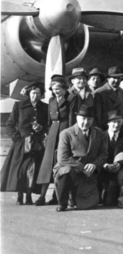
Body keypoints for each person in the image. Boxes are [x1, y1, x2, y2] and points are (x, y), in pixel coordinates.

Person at [53, 105, 108, 212]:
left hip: (89, 171)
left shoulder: (99, 133)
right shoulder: (66, 134)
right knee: (66, 172)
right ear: (77, 118)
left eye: (89, 119)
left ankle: (75, 198)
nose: (86, 122)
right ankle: (62, 203)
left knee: (89, 204)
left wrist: (95, 164)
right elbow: (63, 158)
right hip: (70, 168)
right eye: (83, 118)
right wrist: (82, 168)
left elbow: (103, 154)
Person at [0, 82, 48, 205]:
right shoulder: (19, 106)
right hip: (21, 144)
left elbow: (48, 125)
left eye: (38, 93)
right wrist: (17, 139)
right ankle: (20, 196)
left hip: (37, 144)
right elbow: (9, 124)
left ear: (41, 95)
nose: (35, 96)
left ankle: (29, 196)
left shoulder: (45, 107)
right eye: (33, 93)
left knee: (32, 170)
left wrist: (41, 128)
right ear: (28, 93)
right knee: (20, 170)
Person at [36, 76, 73, 206]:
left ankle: (57, 196)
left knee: (60, 163)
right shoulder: (51, 100)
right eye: (54, 88)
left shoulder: (70, 99)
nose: (56, 90)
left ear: (64, 87)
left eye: (59, 88)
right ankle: (42, 196)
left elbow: (71, 119)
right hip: (52, 134)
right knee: (47, 166)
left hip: (64, 132)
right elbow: (48, 120)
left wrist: (69, 136)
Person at [98, 110, 123, 206]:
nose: (116, 125)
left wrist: (120, 164)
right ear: (108, 123)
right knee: (107, 201)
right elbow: (95, 154)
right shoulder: (100, 136)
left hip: (120, 169)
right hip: (102, 169)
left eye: (119, 122)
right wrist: (105, 165)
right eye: (114, 122)